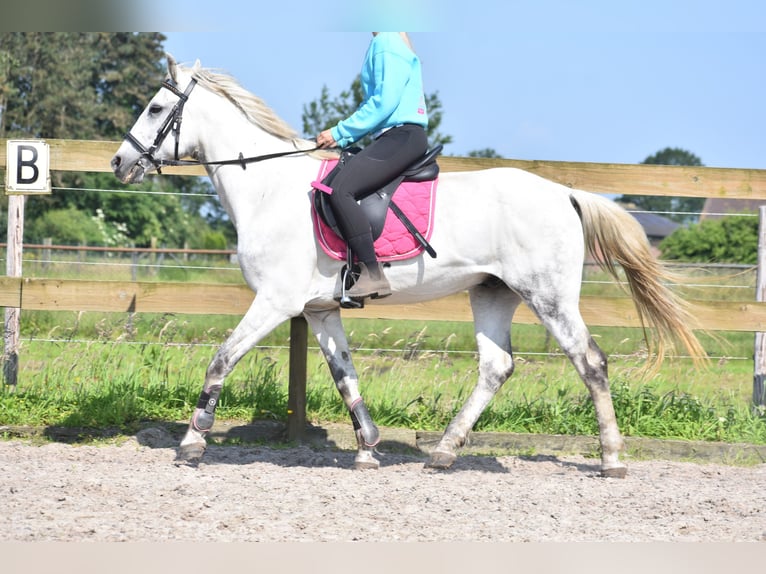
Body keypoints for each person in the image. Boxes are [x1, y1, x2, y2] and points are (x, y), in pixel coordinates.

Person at [316, 32, 429, 299]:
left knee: (341, 190)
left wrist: (339, 132)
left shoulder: (386, 41)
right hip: (398, 136)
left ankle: (372, 274)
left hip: (400, 136)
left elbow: (384, 103)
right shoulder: (390, 39)